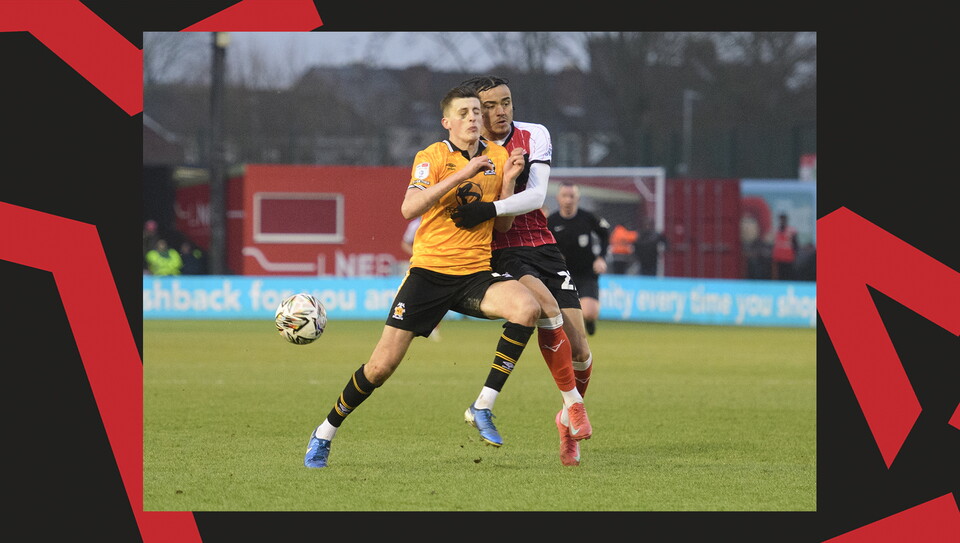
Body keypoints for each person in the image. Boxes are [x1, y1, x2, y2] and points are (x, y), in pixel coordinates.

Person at [304, 85, 540, 469]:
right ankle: (325, 431)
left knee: (527, 308)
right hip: (429, 274)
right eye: (463, 113)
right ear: (447, 122)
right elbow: (409, 207)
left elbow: (504, 226)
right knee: (380, 369)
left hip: (474, 273)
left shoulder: (498, 156)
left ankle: (482, 406)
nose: (473, 118)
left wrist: (510, 182)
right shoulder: (431, 156)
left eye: (477, 112)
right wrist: (465, 172)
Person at [452, 75, 595, 466]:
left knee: (581, 350)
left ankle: (566, 420)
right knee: (546, 309)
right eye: (490, 107)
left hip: (544, 245)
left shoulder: (534, 135)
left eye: (506, 103)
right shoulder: (469, 152)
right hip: (503, 248)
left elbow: (537, 195)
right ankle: (575, 406)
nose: (500, 112)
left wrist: (490, 207)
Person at [547, 182, 610, 337]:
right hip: (562, 275)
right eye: (564, 196)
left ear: (578, 198)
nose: (568, 200)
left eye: (572, 196)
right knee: (563, 315)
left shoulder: (587, 218)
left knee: (589, 313)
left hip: (586, 273)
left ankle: (589, 322)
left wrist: (601, 257)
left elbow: (605, 233)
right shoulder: (550, 222)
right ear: (558, 198)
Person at [400, 216, 441, 341]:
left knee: (436, 298)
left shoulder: (439, 220)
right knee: (412, 297)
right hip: (419, 264)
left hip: (437, 264)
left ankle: (434, 328)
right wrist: (418, 253)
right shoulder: (415, 224)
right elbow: (405, 243)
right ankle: (406, 327)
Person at [771, 212, 799, 280]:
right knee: (779, 277)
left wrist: (795, 256)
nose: (782, 221)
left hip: (789, 259)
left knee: (788, 277)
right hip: (778, 259)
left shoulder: (791, 231)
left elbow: (795, 245)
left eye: (784, 219)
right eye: (781, 219)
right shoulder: (776, 231)